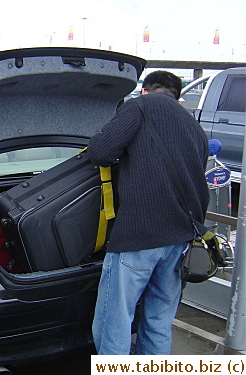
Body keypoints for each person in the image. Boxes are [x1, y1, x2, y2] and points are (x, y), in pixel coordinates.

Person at [89, 70, 210, 355]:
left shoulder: (139, 108)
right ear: (177, 97)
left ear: (144, 90)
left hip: (139, 238)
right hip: (180, 240)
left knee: (114, 323)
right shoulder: (193, 125)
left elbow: (101, 152)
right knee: (158, 322)